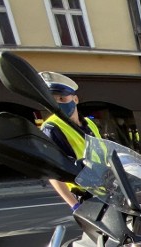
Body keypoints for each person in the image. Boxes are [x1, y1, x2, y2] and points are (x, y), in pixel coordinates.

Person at [39, 70, 101, 211]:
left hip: (106, 189)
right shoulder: (51, 128)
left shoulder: (89, 123)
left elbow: (102, 152)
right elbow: (53, 172)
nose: (59, 104)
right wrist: (75, 205)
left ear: (75, 99)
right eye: (53, 100)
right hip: (85, 194)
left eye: (62, 98)